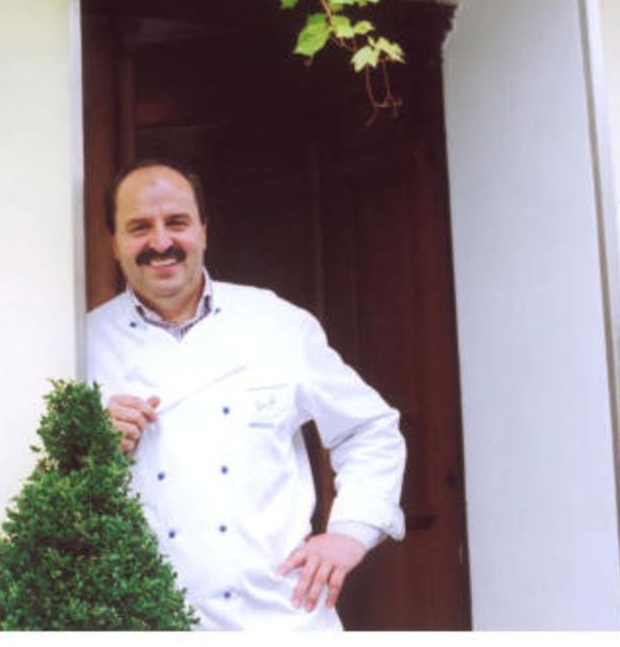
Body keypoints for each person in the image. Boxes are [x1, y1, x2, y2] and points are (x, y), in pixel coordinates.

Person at [86, 159, 406, 631]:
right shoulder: (83, 345)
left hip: (283, 618)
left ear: (204, 231)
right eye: (139, 228)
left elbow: (370, 429)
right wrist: (91, 445)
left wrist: (350, 534)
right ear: (114, 244)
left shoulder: (275, 322)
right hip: (152, 623)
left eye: (177, 223)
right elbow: (45, 489)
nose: (160, 243)